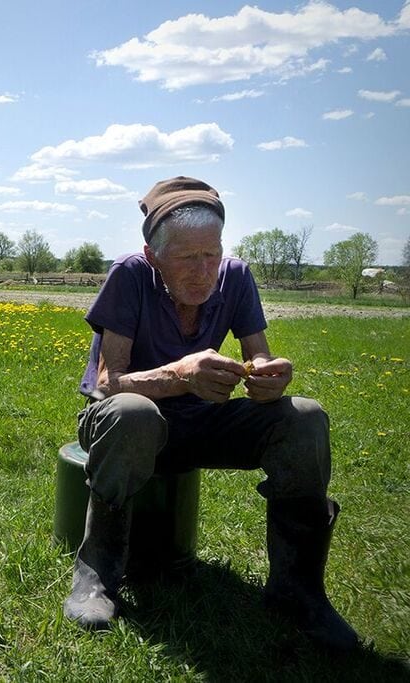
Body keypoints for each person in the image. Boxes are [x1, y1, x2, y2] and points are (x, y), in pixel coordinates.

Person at [62, 176, 358, 651]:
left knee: (303, 416)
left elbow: (257, 354)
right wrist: (180, 375)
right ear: (153, 254)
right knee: (133, 412)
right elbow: (106, 383)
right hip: (124, 422)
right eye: (186, 258)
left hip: (201, 421)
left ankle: (297, 590)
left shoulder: (236, 276)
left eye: (212, 254)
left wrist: (268, 376)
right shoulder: (129, 275)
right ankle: (97, 573)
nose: (204, 272)